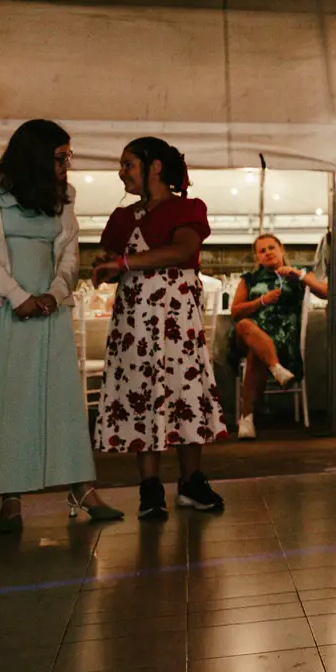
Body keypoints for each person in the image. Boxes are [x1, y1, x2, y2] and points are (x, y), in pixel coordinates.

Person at [0, 120, 120, 530]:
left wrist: (55, 294)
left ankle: (80, 485)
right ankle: (11, 497)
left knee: (59, 400)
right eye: (60, 157)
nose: (66, 165)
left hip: (46, 307)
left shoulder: (63, 195)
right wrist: (17, 296)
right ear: (36, 155)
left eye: (67, 157)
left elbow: (70, 251)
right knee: (9, 402)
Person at [90, 137, 229, 518]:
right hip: (134, 320)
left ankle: (191, 480)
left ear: (154, 167)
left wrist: (120, 264)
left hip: (176, 320)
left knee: (184, 391)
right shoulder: (122, 217)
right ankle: (149, 488)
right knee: (141, 392)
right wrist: (102, 265)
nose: (122, 172)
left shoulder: (187, 208)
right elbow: (106, 259)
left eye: (128, 164)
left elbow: (182, 251)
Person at [228, 233, 328, 438]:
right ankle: (276, 368)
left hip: (283, 338)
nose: (267, 253)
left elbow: (327, 292)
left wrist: (299, 275)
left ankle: (246, 420)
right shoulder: (249, 279)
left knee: (256, 353)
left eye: (271, 248)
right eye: (262, 251)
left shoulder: (298, 275)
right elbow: (235, 311)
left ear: (281, 250)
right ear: (257, 257)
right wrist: (262, 301)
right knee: (246, 325)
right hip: (248, 333)